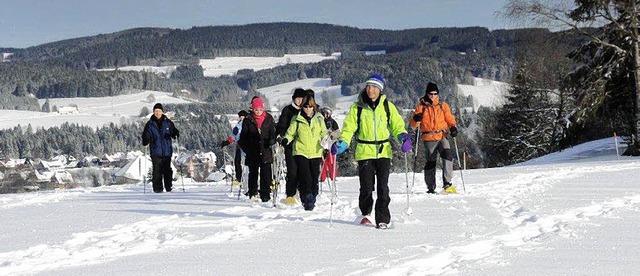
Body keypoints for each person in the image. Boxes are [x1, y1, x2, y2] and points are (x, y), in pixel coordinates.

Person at [333, 74, 412, 229]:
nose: (371, 90)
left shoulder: (387, 106)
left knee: (383, 187)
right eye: (369, 86)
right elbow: (349, 128)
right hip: (364, 151)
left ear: (380, 90)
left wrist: (403, 137)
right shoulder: (357, 108)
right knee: (367, 187)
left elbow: (396, 125)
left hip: (383, 151)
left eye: (375, 87)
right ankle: (365, 213)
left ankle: (382, 218)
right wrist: (343, 142)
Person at [409, 82, 458, 194]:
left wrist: (453, 127)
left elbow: (450, 118)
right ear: (427, 93)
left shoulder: (443, 106)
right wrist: (416, 118)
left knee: (447, 155)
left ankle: (447, 183)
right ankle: (431, 187)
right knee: (431, 161)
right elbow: (413, 125)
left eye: (435, 93)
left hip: (441, 135)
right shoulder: (421, 106)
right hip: (428, 137)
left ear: (438, 94)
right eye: (431, 93)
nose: (433, 95)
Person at [280, 96, 327, 210]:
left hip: (315, 151)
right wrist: (286, 139)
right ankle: (306, 198)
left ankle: (313, 196)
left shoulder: (319, 118)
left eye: (310, 106)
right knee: (305, 176)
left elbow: (324, 132)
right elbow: (290, 133)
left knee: (314, 177)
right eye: (305, 106)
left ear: (313, 107)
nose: (307, 109)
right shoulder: (297, 119)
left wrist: (325, 139)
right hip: (301, 151)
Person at [238, 97, 277, 202]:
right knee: (253, 173)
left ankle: (265, 195)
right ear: (252, 109)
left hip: (266, 150)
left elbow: (273, 132)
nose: (258, 112)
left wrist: (272, 140)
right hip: (253, 151)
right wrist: (247, 149)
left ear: (263, 108)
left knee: (266, 173)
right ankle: (252, 193)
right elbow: (243, 138)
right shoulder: (248, 120)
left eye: (260, 109)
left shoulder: (268, 118)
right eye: (256, 110)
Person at [141, 103, 180, 193]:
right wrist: (146, 139)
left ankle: (168, 187)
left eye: (159, 111)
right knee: (157, 170)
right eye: (156, 111)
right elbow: (145, 135)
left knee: (167, 170)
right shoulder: (150, 124)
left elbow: (174, 132)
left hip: (167, 151)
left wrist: (175, 133)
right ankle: (158, 189)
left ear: (162, 112)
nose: (158, 113)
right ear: (153, 112)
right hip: (155, 151)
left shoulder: (168, 122)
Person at [276, 88, 306, 205]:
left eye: (302, 99)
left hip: (304, 146)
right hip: (290, 145)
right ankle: (290, 194)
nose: (300, 101)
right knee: (292, 171)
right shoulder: (287, 110)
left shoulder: (307, 110)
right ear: (294, 99)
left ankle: (302, 192)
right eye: (298, 98)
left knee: (303, 171)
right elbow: (282, 125)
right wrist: (281, 136)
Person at [220, 110, 249, 185]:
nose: (241, 118)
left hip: (247, 146)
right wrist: (227, 142)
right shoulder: (238, 125)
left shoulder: (247, 124)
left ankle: (244, 178)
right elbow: (234, 136)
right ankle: (239, 178)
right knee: (237, 162)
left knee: (244, 162)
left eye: (242, 116)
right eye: (240, 117)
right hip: (240, 145)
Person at [320, 106, 339, 183]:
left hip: (331, 143)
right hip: (323, 144)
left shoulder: (333, 122)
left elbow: (338, 132)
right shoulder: (320, 121)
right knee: (322, 162)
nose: (326, 115)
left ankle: (333, 176)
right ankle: (322, 177)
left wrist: (332, 135)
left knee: (331, 161)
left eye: (328, 113)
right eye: (325, 113)